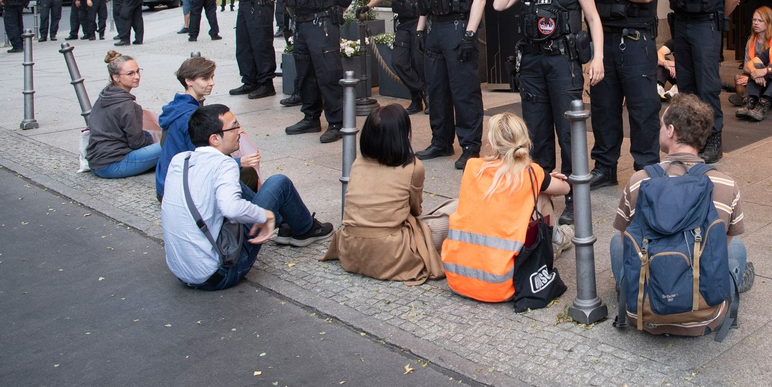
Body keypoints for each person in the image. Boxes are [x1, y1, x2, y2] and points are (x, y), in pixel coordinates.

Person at [160, 104, 334, 291]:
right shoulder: (224, 164)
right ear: (215, 139)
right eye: (234, 127)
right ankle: (305, 229)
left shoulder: (181, 160)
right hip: (220, 272)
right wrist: (264, 216)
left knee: (238, 186)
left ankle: (285, 223)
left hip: (183, 272)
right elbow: (231, 209)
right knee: (279, 182)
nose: (240, 131)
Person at [610, 93, 754, 310]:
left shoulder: (639, 180)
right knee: (737, 248)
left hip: (646, 309)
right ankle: (732, 283)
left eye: (661, 125)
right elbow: (720, 247)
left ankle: (630, 289)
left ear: (670, 131)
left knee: (615, 242)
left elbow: (626, 240)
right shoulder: (726, 184)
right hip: (704, 311)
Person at [493, 0, 605, 182]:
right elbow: (499, 4)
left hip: (563, 64)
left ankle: (571, 196)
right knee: (536, 132)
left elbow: (593, 18)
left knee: (568, 132)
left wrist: (598, 57)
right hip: (532, 64)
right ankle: (542, 191)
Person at [441, 113, 571, 303]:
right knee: (542, 195)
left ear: (491, 144)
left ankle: (557, 237)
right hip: (501, 285)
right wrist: (545, 179)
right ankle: (557, 239)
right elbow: (566, 188)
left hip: (456, 277)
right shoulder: (531, 172)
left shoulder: (471, 166)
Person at [586, 0, 663, 195]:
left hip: (636, 43)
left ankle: (646, 171)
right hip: (604, 41)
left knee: (643, 110)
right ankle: (604, 168)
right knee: (603, 109)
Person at [321, 104, 445, 284]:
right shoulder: (413, 167)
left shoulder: (358, 162)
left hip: (350, 250)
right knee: (452, 213)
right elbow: (416, 210)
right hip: (391, 254)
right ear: (402, 135)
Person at [415, 0, 487, 169]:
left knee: (464, 91)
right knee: (436, 89)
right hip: (435, 29)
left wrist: (470, 34)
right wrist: (420, 29)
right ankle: (441, 142)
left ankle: (470, 146)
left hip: (458, 29)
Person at [666, 0, 740, 163]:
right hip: (682, 25)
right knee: (685, 85)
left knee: (707, 86)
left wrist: (719, 17)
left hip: (706, 26)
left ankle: (713, 137)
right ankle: (690, 136)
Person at [282, 0, 352, 144]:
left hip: (322, 25)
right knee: (305, 74)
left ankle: (336, 123)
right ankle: (311, 118)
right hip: (301, 25)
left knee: (328, 75)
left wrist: (329, 14)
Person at [360, 0, 427, 114]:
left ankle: (418, 100)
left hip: (420, 23)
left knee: (418, 63)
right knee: (399, 62)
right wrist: (367, 6)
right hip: (404, 24)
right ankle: (423, 92)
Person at [85, 51, 162, 178]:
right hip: (112, 165)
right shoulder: (128, 106)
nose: (137, 76)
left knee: (147, 135)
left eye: (138, 71)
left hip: (96, 161)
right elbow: (136, 143)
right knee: (170, 143)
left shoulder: (106, 95)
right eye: (130, 73)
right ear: (116, 77)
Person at [156, 56, 217, 201]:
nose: (212, 83)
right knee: (244, 173)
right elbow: (201, 158)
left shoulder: (176, 106)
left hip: (164, 182)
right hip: (177, 190)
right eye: (205, 79)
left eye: (212, 77)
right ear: (188, 81)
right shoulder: (190, 116)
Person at [731, 6, 772, 106]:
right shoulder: (751, 41)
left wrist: (755, 76)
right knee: (738, 79)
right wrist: (752, 76)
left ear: (768, 23)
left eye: (760, 20)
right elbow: (746, 66)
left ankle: (749, 98)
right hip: (754, 74)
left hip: (769, 76)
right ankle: (751, 98)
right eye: (754, 20)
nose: (756, 23)